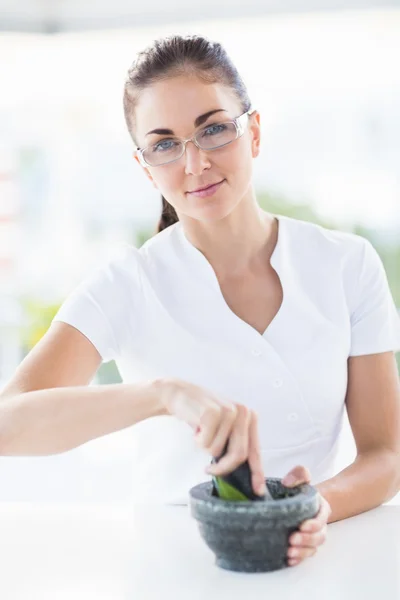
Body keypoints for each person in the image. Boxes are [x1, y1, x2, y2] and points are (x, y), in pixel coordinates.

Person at [1, 35, 400, 569]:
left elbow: (386, 454)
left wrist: (315, 507)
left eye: (214, 130)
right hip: (167, 565)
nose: (195, 164)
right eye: (164, 144)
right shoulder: (127, 283)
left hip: (309, 565)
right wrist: (162, 395)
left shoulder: (348, 265)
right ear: (145, 167)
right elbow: (8, 426)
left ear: (252, 132)